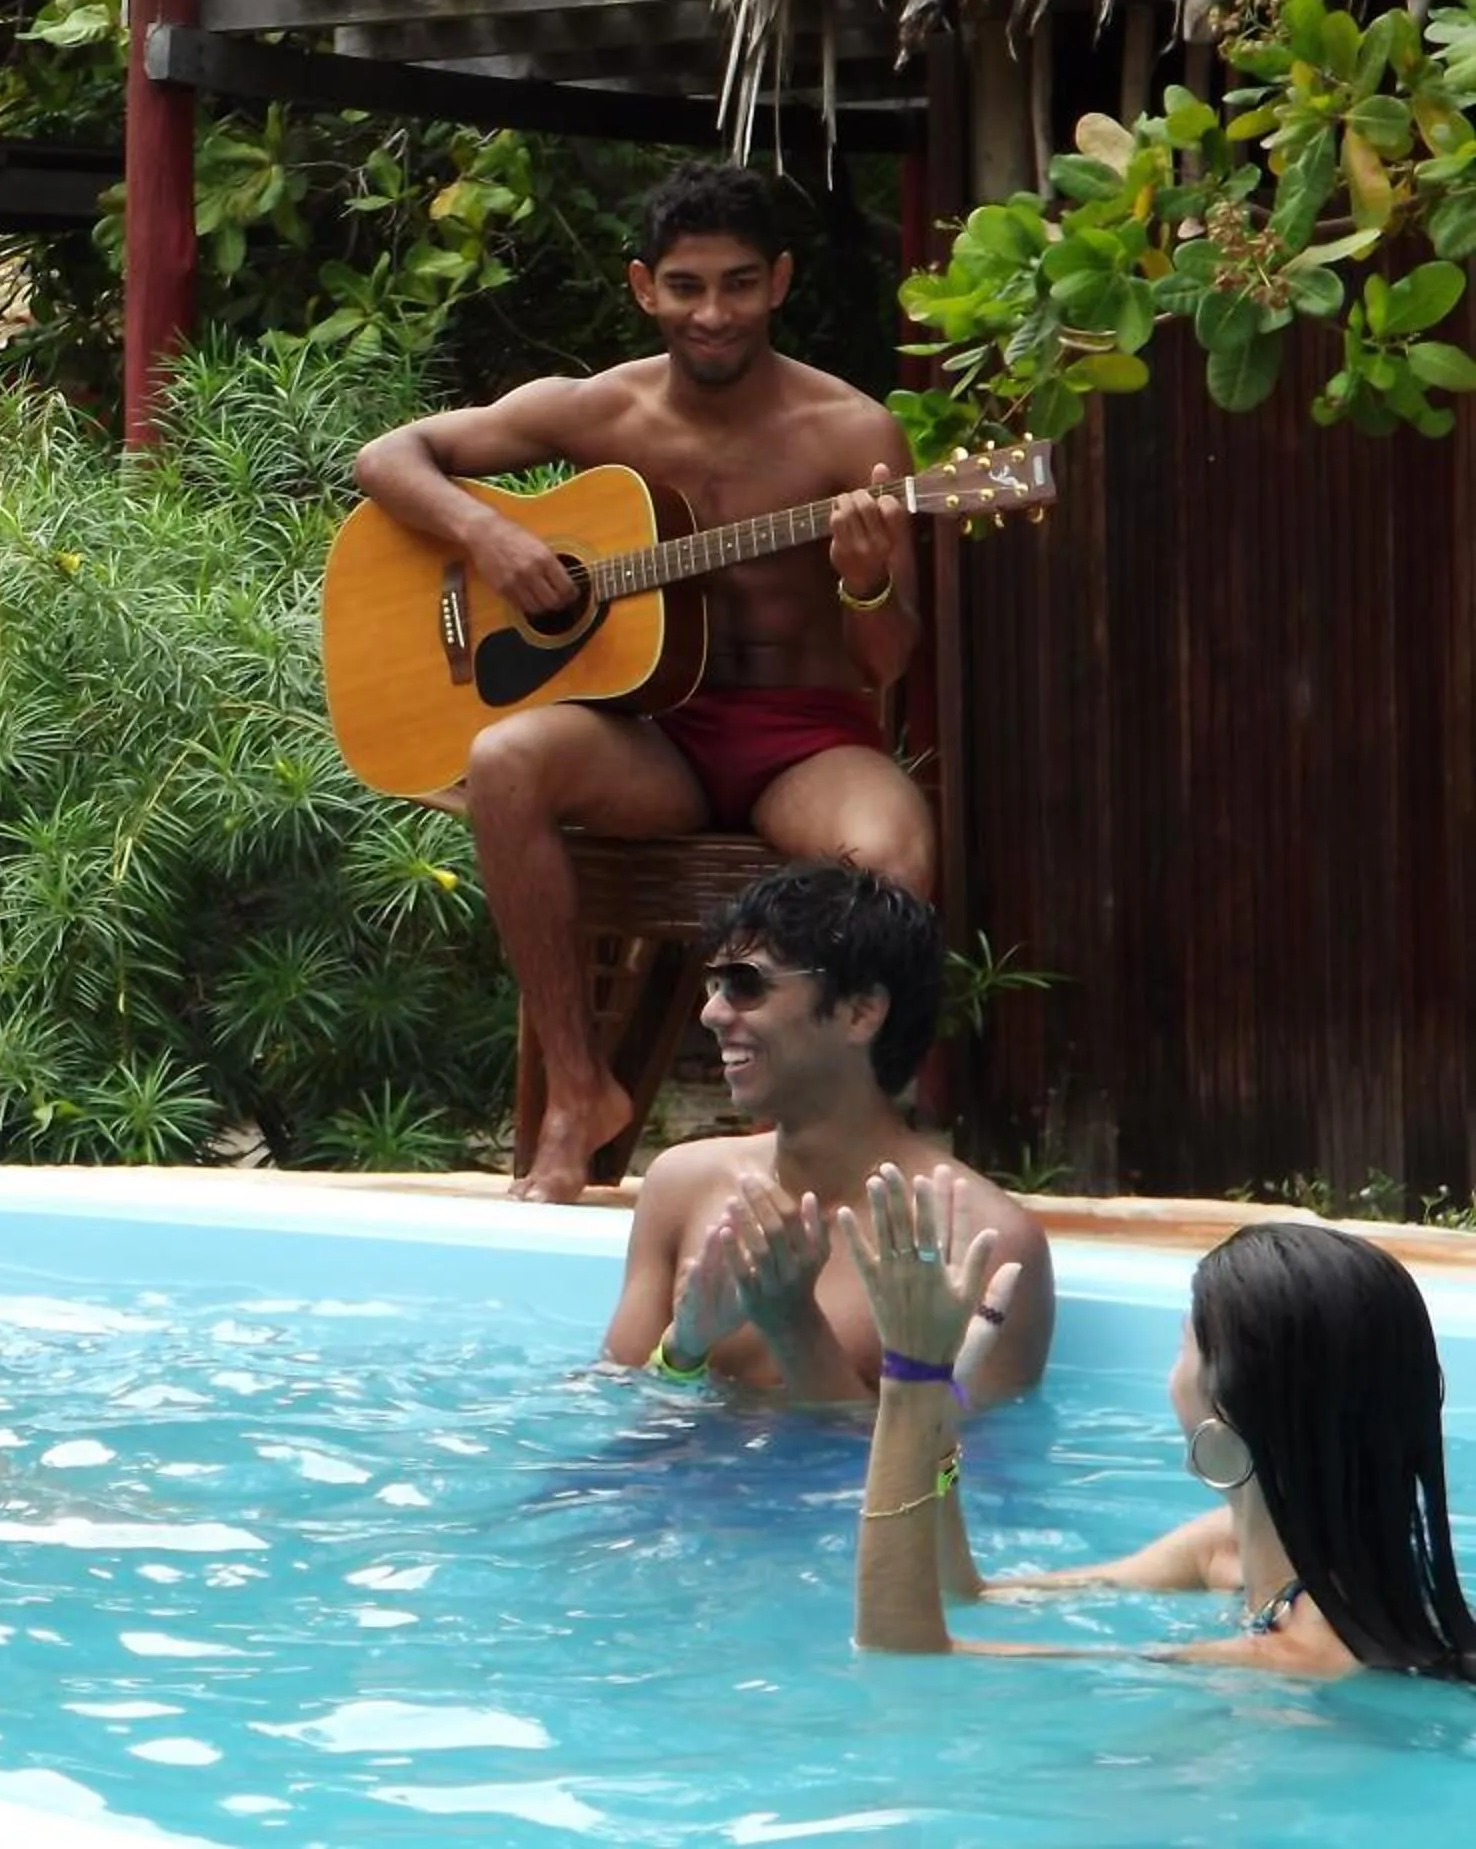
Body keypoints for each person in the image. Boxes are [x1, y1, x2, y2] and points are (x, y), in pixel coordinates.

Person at [352, 161, 933, 1202]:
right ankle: (581, 1093)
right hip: (654, 734)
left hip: (802, 738)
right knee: (504, 758)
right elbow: (390, 457)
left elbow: (887, 661)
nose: (714, 313)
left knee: (892, 854)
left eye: (741, 283)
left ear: (782, 281)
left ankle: (832, 1130)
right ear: (642, 287)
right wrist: (488, 535)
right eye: (687, 286)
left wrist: (862, 580)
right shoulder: (596, 410)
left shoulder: (852, 435)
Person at [845, 1165, 1476, 1679]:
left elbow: (901, 1656)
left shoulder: (1288, 1663)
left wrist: (906, 1379)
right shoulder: (1244, 1549)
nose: (1170, 1372)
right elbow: (967, 1594)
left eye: (1181, 1346)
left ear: (1228, 1416)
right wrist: (939, 1425)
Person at [599, 860, 1052, 1405]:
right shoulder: (682, 1186)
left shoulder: (985, 1241)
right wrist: (683, 1349)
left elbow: (944, 1477)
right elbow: (614, 1416)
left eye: (745, 984)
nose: (712, 1013)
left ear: (861, 1012)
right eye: (714, 984)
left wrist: (793, 1323)